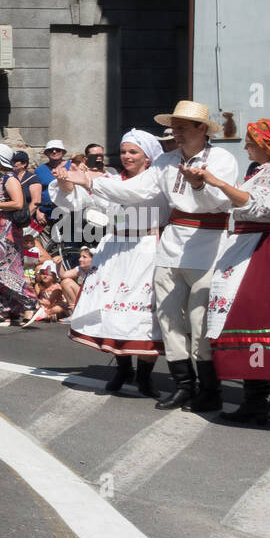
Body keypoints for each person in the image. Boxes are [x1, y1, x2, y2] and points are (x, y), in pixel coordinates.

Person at [61, 101, 238, 411]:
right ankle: (183, 385)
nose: (176, 133)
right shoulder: (167, 161)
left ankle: (209, 390)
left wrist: (200, 185)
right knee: (168, 320)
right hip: (171, 247)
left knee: (198, 323)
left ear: (201, 129)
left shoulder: (221, 158)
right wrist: (89, 181)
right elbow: (136, 191)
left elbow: (220, 201)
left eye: (182, 127)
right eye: (175, 127)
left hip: (208, 245)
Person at [201, 119, 270, 423]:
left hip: (262, 247)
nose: (246, 146)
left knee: (250, 318)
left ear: (265, 144)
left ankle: (257, 399)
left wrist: (218, 182)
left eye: (251, 141)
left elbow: (259, 207)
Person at [50, 129, 167, 397]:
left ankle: (145, 376)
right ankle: (123, 368)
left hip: (145, 248)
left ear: (147, 157)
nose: (126, 156)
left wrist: (88, 179)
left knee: (143, 314)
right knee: (112, 310)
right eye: (124, 151)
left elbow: (127, 192)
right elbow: (77, 200)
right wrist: (67, 179)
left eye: (133, 152)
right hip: (115, 247)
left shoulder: (153, 179)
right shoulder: (111, 179)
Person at [0, 143, 36, 325]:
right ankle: (4, 311)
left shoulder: (10, 179)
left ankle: (31, 302)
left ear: (1, 159)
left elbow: (18, 203)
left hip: (7, 231)